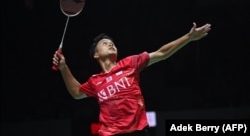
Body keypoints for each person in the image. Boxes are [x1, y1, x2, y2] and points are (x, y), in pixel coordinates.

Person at [52, 22, 211, 136]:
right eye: (105, 43)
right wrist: (63, 67)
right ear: (96, 54)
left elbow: (162, 53)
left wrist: (188, 38)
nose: (111, 44)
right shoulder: (95, 81)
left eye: (112, 43)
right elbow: (76, 92)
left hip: (137, 132)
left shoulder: (129, 63)